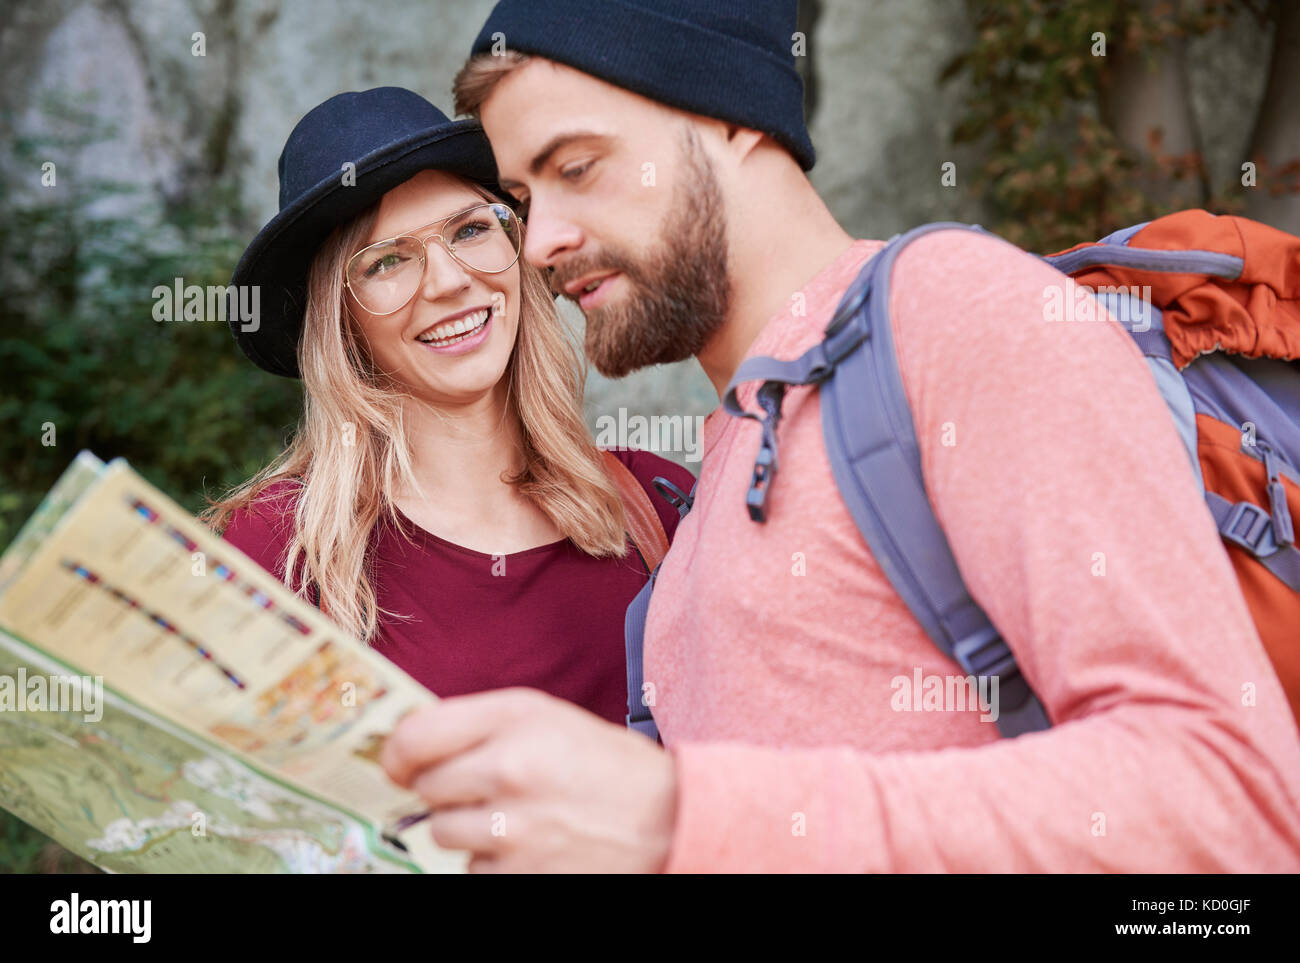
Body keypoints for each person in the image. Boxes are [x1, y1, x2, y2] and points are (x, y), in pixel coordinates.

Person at [378, 0, 1300, 872]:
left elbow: (1234, 802)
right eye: (522, 198)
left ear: (734, 115)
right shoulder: (701, 505)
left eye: (576, 168)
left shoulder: (952, 311)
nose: (541, 242)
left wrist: (680, 812)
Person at [207, 86, 694, 725]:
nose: (449, 281)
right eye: (387, 262)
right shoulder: (278, 555)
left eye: (470, 229)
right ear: (339, 320)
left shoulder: (659, 506)